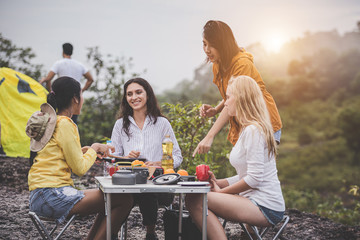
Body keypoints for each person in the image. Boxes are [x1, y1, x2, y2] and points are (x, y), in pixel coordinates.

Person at [27, 76, 133, 240]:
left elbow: (56, 155)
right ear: (75, 98)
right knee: (124, 198)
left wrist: (84, 151)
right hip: (51, 195)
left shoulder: (52, 121)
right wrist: (95, 147)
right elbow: (80, 169)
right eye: (81, 95)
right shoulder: (65, 124)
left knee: (111, 199)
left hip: (41, 194)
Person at [186, 76, 285, 239]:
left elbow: (254, 179)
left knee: (196, 199)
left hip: (265, 206)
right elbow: (246, 174)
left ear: (241, 99)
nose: (225, 103)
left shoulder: (254, 130)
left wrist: (222, 192)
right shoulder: (248, 129)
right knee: (196, 196)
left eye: (229, 97)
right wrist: (219, 183)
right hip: (255, 202)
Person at [193, 20, 282, 156]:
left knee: (257, 174)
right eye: (204, 44)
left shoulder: (242, 64)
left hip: (263, 123)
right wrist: (216, 110)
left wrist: (209, 136)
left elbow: (237, 98)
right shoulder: (218, 64)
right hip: (247, 125)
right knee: (246, 171)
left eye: (212, 46)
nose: (207, 50)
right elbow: (231, 97)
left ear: (223, 45)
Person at [111, 77, 183, 240]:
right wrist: (126, 158)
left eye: (138, 92)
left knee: (147, 189)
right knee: (118, 193)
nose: (133, 97)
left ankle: (150, 233)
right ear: (125, 98)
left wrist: (159, 163)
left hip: (158, 183)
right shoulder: (120, 124)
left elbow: (177, 156)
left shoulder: (162, 123)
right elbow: (114, 158)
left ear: (148, 94)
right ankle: (112, 232)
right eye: (129, 94)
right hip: (129, 182)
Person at [39, 43, 94, 124]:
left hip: (62, 97)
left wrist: (50, 92)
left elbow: (48, 79)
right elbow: (90, 79)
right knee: (73, 122)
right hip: (75, 98)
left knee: (59, 120)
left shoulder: (58, 63)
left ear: (63, 51)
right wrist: (82, 90)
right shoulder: (79, 65)